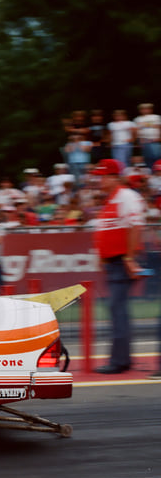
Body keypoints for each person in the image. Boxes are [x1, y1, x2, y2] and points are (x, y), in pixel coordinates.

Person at [91, 158, 146, 374]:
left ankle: (119, 361)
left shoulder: (126, 197)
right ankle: (122, 358)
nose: (99, 180)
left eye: (102, 176)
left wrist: (130, 258)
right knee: (117, 309)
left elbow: (135, 226)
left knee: (117, 309)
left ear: (113, 177)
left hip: (122, 261)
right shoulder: (112, 199)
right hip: (115, 262)